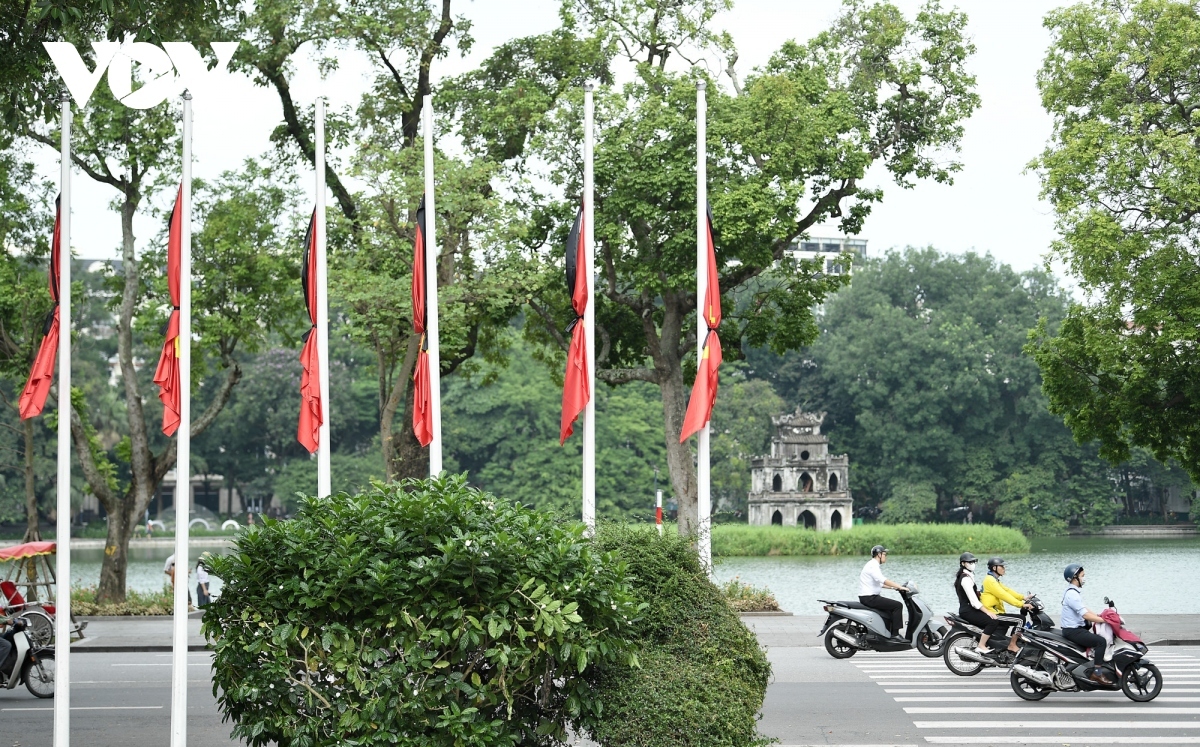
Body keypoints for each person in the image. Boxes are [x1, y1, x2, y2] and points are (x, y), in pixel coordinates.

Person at [1061, 564, 1113, 685]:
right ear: (1075, 578)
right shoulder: (1072, 595)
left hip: (1074, 629)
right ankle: (1097, 673)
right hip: (1073, 631)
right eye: (1082, 576)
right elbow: (1085, 615)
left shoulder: (1073, 592)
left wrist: (1099, 616)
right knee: (1101, 642)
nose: (1084, 578)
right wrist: (1105, 621)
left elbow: (1084, 608)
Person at [981, 557, 1032, 657]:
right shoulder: (990, 581)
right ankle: (1012, 645)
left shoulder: (994, 579)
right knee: (1020, 620)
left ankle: (1000, 647)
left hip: (996, 611)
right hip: (993, 613)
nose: (1004, 568)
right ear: (994, 568)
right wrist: (1021, 604)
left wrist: (1023, 597)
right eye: (1002, 566)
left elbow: (1007, 590)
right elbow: (1003, 595)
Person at [954, 552, 1002, 659]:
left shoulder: (967, 576)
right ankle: (981, 645)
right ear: (963, 564)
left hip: (967, 609)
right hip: (968, 611)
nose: (972, 564)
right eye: (970, 562)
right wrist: (988, 612)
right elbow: (974, 602)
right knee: (993, 621)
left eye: (974, 561)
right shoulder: (965, 579)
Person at [859, 545, 908, 640]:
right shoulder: (873, 566)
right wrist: (899, 586)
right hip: (870, 598)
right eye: (884, 554)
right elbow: (883, 580)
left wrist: (894, 588)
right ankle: (895, 635)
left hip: (869, 597)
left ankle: (886, 633)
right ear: (879, 555)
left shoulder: (872, 565)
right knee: (897, 606)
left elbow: (879, 584)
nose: (886, 556)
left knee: (889, 611)